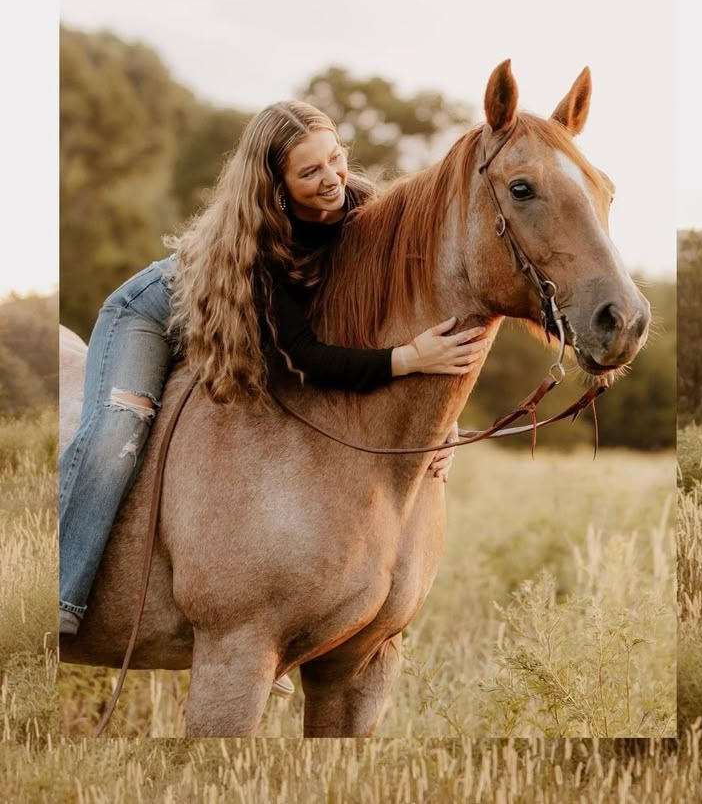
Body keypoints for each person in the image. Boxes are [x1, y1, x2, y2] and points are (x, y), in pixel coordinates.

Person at [59, 101, 489, 694]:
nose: (332, 178)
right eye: (309, 172)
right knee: (116, 432)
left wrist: (443, 425)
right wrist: (409, 359)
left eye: (335, 159)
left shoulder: (359, 208)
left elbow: (404, 317)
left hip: (243, 324)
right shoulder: (262, 241)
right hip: (156, 311)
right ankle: (61, 593)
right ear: (277, 187)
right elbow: (307, 353)